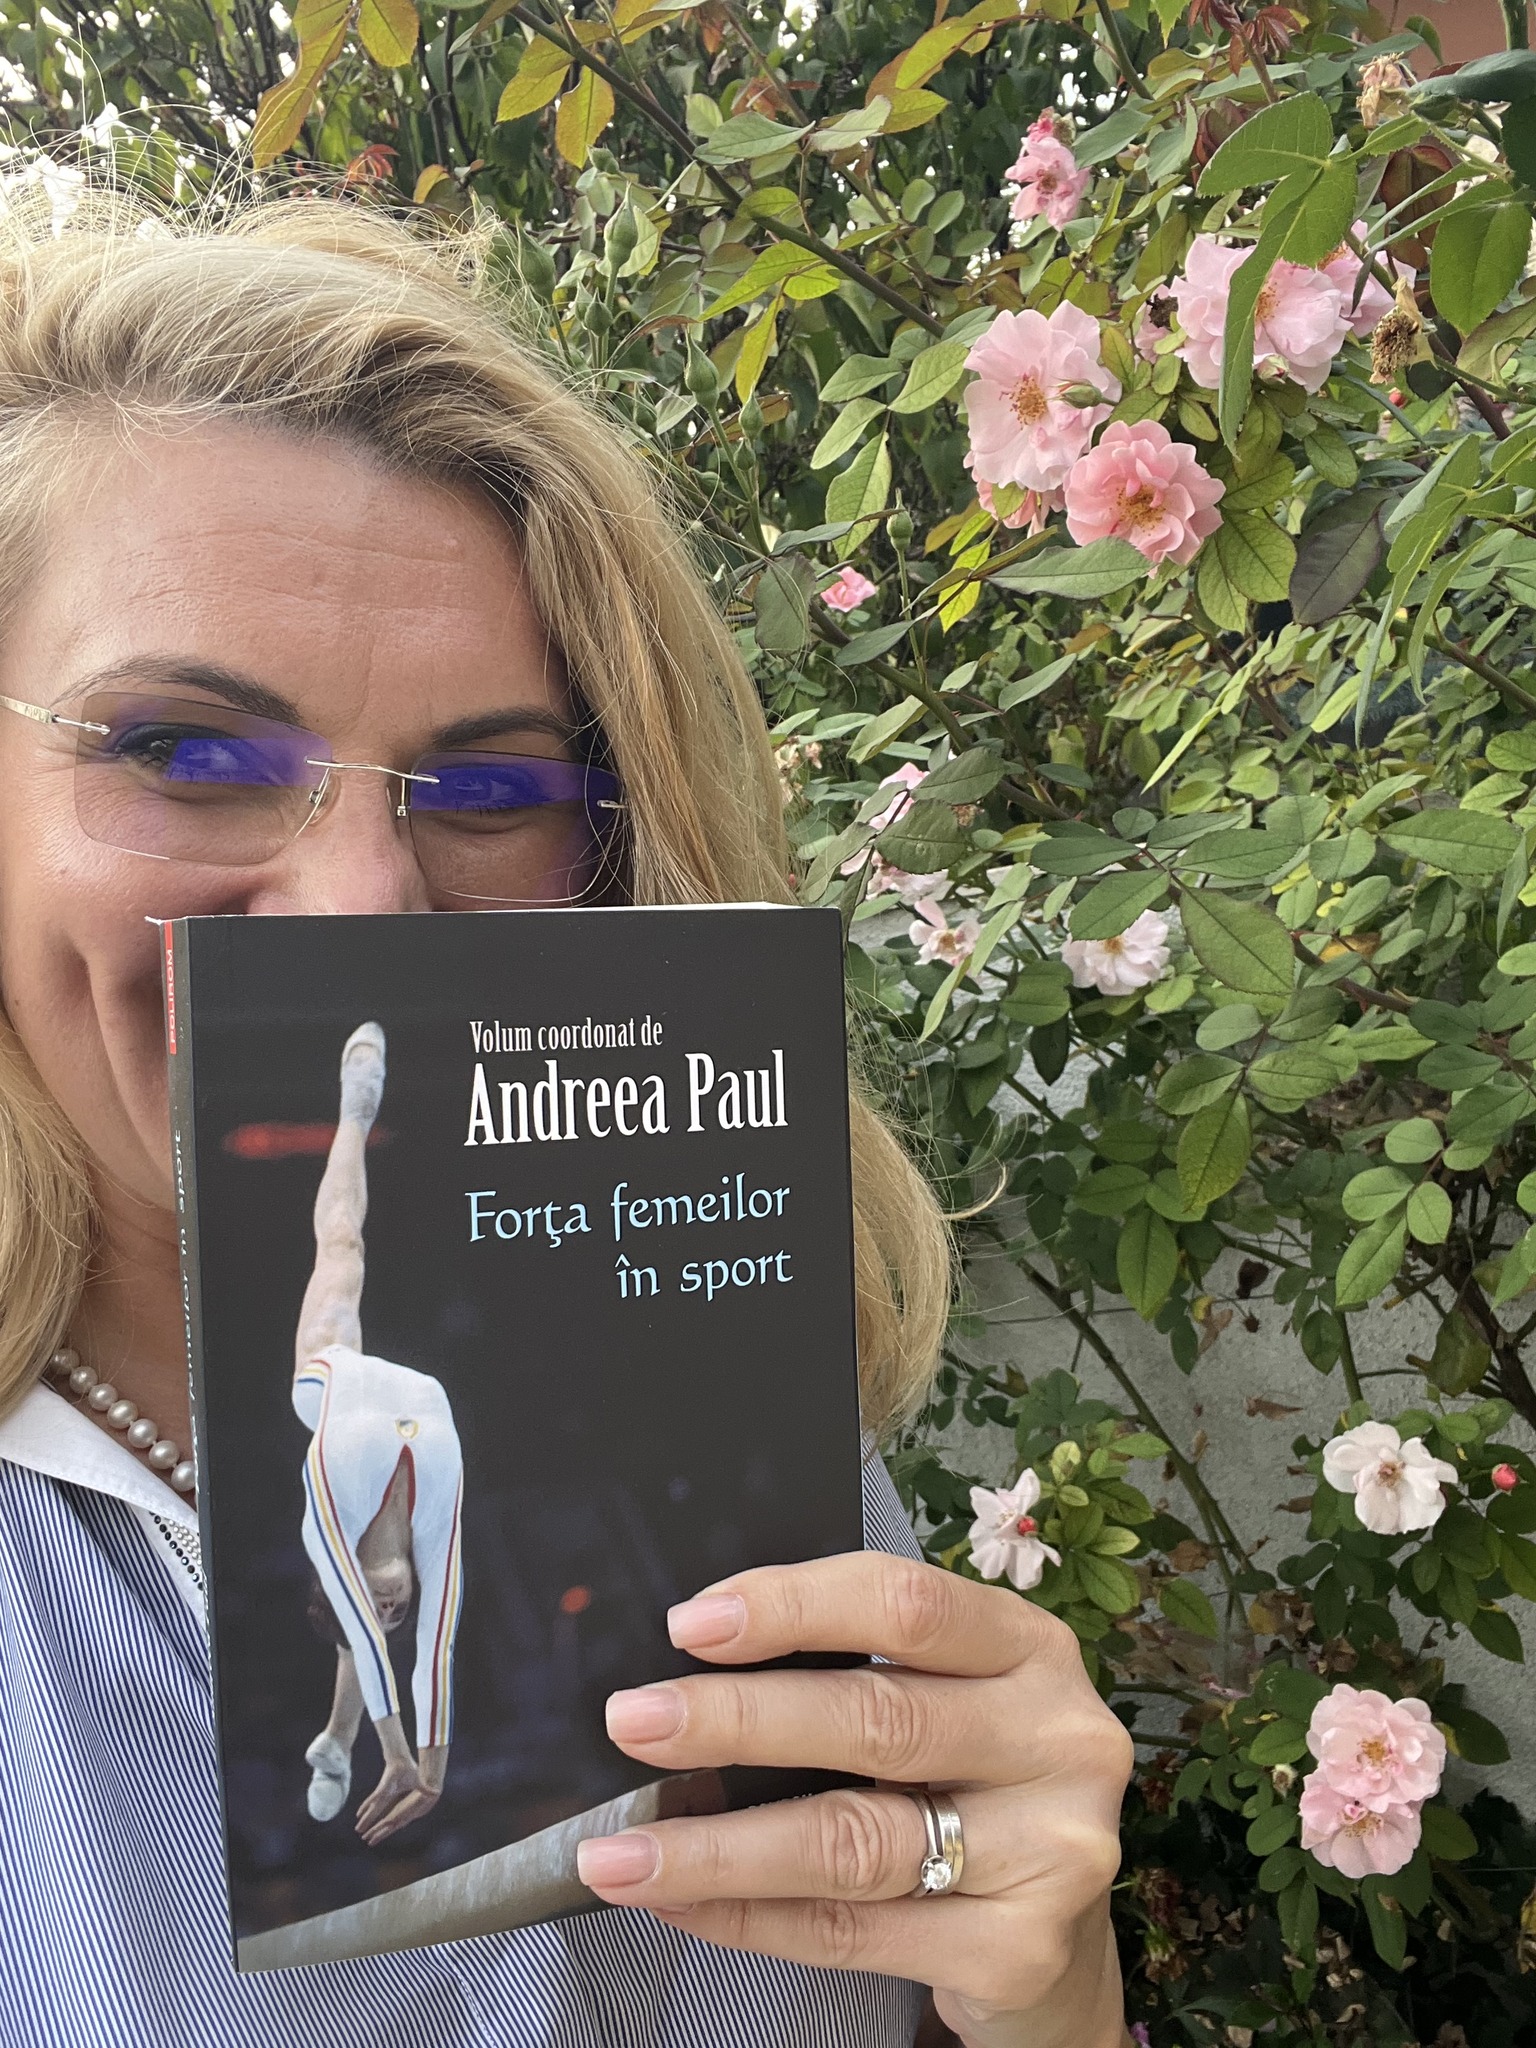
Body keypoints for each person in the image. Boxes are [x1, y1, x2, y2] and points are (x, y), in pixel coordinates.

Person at [0, 177, 1135, 2048]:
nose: (361, 915)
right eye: (186, 752)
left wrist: (1049, 1986)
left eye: (490, 790)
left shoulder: (711, 1372)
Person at [295, 1021, 466, 1846]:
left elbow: (366, 1635)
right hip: (421, 1413)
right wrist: (431, 1765)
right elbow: (436, 1641)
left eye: (377, 1608)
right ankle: (334, 1743)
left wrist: (392, 1752)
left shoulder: (325, 1518)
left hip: (332, 1388)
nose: (393, 1610)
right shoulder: (433, 1532)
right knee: (372, 1631)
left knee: (341, 1246)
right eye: (401, 1613)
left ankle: (353, 1109)